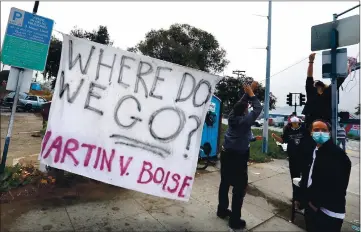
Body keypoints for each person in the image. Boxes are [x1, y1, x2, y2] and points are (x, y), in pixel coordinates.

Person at [217, 82, 262, 230]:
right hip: (238, 158)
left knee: (224, 182)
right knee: (239, 188)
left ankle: (222, 210)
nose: (248, 108)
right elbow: (258, 108)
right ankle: (235, 220)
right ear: (244, 112)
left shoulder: (231, 116)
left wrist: (250, 90)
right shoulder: (245, 121)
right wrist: (251, 94)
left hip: (226, 154)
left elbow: (241, 103)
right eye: (246, 109)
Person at [298, 119, 351, 232]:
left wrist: (314, 203)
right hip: (312, 207)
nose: (320, 133)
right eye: (316, 130)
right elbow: (308, 175)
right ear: (311, 133)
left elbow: (337, 185)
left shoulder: (337, 155)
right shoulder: (314, 150)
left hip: (328, 213)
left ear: (329, 132)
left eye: (324, 130)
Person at [302, 53, 346, 128]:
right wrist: (311, 62)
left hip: (323, 123)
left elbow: (340, 80)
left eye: (318, 85)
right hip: (312, 122)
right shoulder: (312, 92)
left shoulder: (328, 91)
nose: (317, 87)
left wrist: (347, 68)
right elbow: (309, 76)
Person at [271, 116, 308, 203]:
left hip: (304, 158)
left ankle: (303, 197)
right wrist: (275, 136)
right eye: (293, 124)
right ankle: (296, 197)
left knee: (304, 178)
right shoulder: (288, 130)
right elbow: (282, 140)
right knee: (295, 178)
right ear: (290, 123)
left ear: (299, 122)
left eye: (296, 123)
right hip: (293, 158)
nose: (295, 125)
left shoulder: (304, 129)